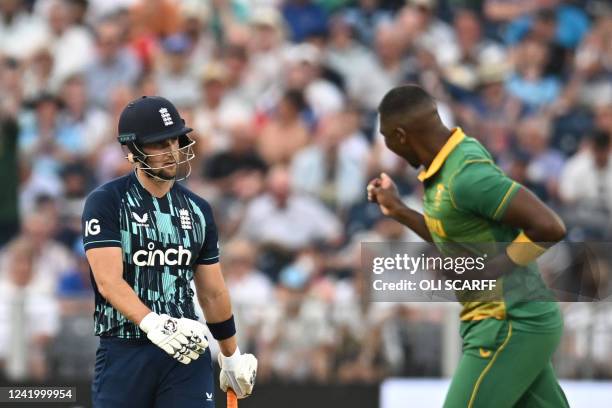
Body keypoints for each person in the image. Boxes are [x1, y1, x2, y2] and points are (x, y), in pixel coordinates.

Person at [368, 85, 568, 407]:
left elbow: (549, 227)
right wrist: (399, 211)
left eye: (386, 137)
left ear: (402, 136)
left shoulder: (467, 176)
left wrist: (489, 272)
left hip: (508, 322)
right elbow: (453, 238)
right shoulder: (449, 163)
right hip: (511, 322)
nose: (386, 146)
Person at [82, 96, 257, 407]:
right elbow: (108, 282)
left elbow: (213, 293)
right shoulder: (106, 201)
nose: (172, 152)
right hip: (124, 348)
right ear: (132, 150)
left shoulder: (199, 209)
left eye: (174, 141)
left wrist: (231, 355)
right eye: (159, 144)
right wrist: (153, 323)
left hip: (186, 352)